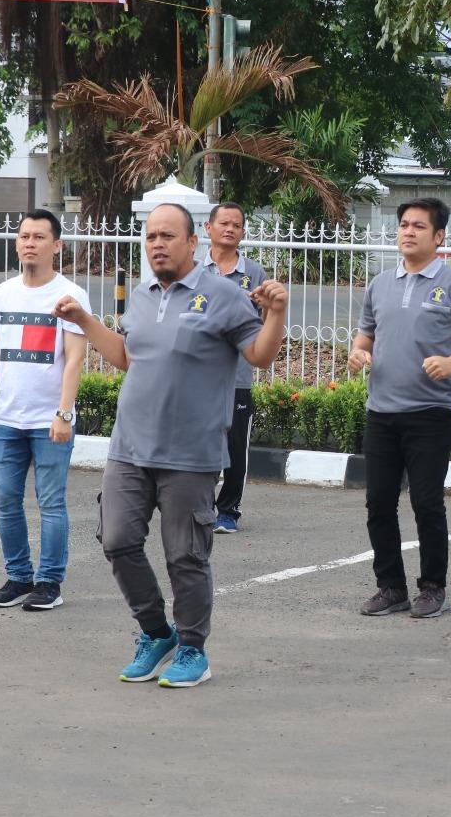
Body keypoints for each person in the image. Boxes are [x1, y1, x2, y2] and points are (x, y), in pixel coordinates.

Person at [54, 203, 288, 688]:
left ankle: (193, 650)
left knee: (186, 557)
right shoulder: (141, 296)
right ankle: (156, 632)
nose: (157, 244)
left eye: (166, 235)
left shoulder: (223, 295)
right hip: (130, 447)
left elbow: (260, 357)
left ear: (191, 243)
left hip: (190, 453)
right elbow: (125, 355)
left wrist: (277, 315)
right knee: (117, 541)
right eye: (150, 236)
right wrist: (84, 318)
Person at [348, 197, 451, 619]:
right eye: (403, 225)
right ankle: (390, 586)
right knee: (378, 502)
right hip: (382, 411)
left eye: (418, 226)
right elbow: (365, 337)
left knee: (427, 503)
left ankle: (432, 586)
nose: (408, 232)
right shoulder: (380, 284)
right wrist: (358, 353)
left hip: (431, 411)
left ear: (439, 236)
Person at [0, 210, 88, 613]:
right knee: (6, 501)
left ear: (57, 245)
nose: (30, 243)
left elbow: (74, 360)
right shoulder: (2, 294)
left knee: (51, 504)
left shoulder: (70, 296)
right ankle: (18, 577)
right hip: (8, 420)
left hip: (49, 423)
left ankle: (49, 582)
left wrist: (64, 414)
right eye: (24, 236)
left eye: (39, 237)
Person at [201, 201, 269, 534]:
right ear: (208, 229)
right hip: (199, 375)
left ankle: (228, 511)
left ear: (242, 232)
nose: (230, 229)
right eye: (224, 223)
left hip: (238, 375)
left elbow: (262, 322)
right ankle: (199, 506)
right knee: (198, 442)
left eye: (237, 225)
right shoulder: (195, 272)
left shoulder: (254, 274)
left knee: (235, 446)